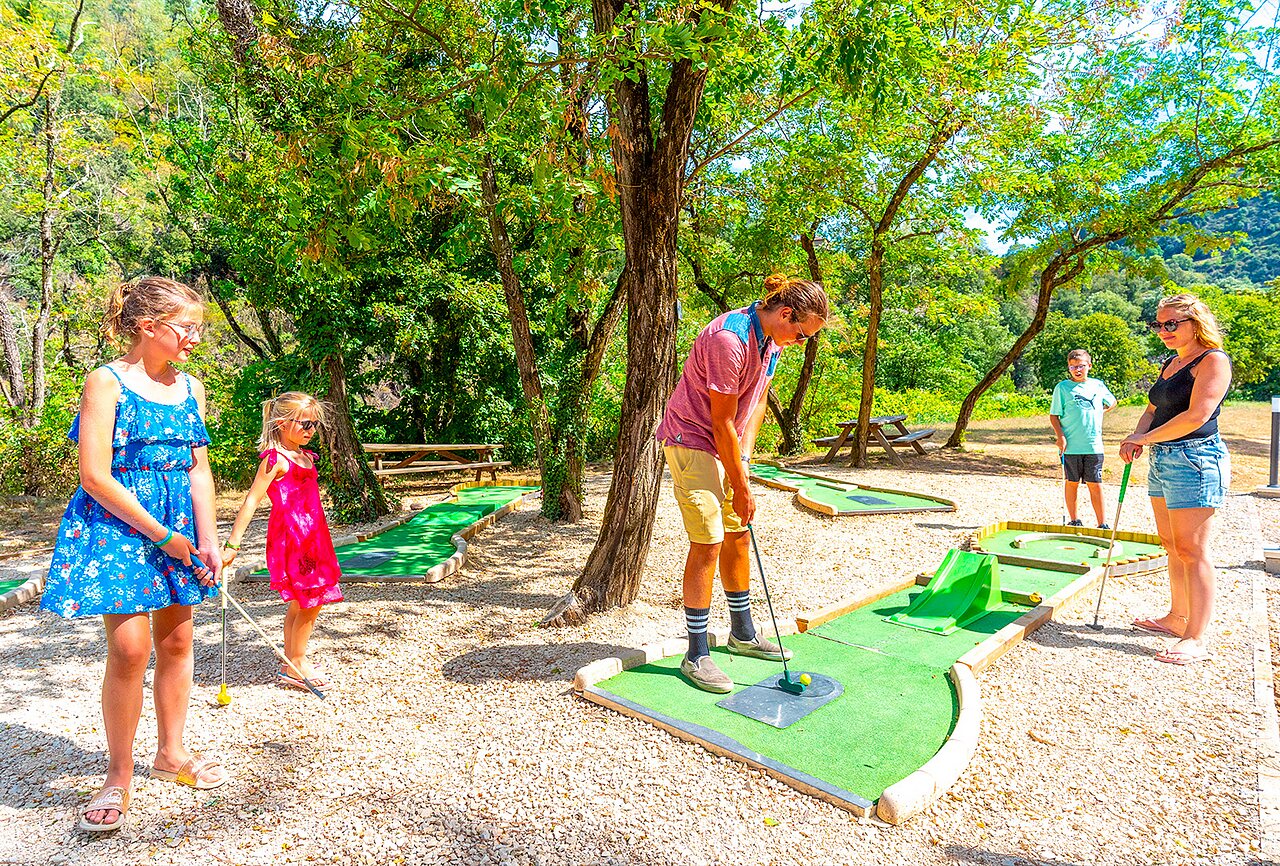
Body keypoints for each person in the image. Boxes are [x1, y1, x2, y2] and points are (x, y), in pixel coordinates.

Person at [42, 276, 228, 833]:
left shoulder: (190, 387)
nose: (195, 337)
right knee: (128, 650)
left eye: (199, 327)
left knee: (177, 639)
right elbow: (95, 477)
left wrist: (208, 537)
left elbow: (197, 468)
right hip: (121, 525)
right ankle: (117, 773)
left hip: (178, 528)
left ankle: (171, 753)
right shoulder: (106, 382)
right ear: (149, 327)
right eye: (186, 327)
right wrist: (165, 537)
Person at [656, 273, 830, 693]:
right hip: (692, 439)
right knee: (709, 538)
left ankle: (743, 633)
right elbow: (719, 422)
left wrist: (744, 466)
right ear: (786, 314)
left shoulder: (772, 343)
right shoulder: (728, 341)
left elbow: (753, 408)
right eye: (802, 334)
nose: (800, 342)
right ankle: (696, 653)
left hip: (727, 443)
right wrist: (742, 483)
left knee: (738, 534)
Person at [1121, 293, 1232, 665]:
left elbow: (1197, 415)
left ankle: (1196, 638)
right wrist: (1136, 437)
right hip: (1163, 458)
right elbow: (1152, 409)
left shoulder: (1212, 361)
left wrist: (1145, 438)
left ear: (1195, 322)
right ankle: (1176, 617)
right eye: (1159, 324)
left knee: (1192, 549)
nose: (1164, 330)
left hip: (1195, 459)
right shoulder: (1171, 363)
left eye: (1172, 324)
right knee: (1171, 544)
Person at [222, 392, 343, 692]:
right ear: (280, 423)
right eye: (304, 423)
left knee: (300, 603)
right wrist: (233, 545)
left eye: (314, 424)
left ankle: (292, 662)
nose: (310, 430)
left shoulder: (306, 456)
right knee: (310, 601)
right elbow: (251, 500)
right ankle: (298, 662)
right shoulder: (276, 460)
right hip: (295, 538)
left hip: (314, 535)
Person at [1049, 348, 1117, 527]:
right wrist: (1060, 436)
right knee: (1072, 483)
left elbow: (1112, 402)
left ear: (1089, 366)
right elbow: (1054, 415)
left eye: (1081, 366)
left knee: (1095, 483)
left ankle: (1102, 524)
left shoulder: (1098, 385)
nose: (1077, 370)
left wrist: (1101, 411)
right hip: (1071, 446)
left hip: (1093, 445)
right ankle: (1074, 520)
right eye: (1072, 367)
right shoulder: (1062, 387)